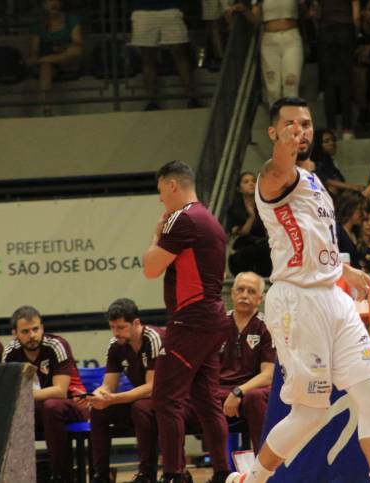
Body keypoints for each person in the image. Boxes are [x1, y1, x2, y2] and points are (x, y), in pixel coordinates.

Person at [227, 97, 370, 483]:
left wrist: (344, 268)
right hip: (297, 302)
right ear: (273, 132)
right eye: (290, 125)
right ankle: (253, 478)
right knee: (311, 412)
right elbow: (277, 163)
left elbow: (316, 239)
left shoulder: (315, 179)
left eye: (306, 123)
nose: (300, 130)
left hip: (332, 295)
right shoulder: (272, 176)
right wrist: (284, 145)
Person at [142, 160, 231, 483]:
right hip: (211, 318)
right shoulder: (210, 219)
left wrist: (155, 235)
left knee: (165, 398)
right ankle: (223, 471)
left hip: (190, 320)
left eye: (160, 191)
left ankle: (174, 474)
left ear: (172, 186)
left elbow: (150, 269)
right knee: (208, 400)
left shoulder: (181, 220)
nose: (160, 200)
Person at [187, 272, 275, 453]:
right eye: (240, 290)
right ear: (232, 294)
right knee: (184, 399)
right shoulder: (217, 325)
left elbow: (268, 374)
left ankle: (263, 467)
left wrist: (239, 391)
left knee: (255, 398)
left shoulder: (267, 326)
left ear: (260, 298)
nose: (244, 295)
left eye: (251, 292)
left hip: (250, 390)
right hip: (219, 390)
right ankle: (215, 471)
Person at [2, 305, 88, 482]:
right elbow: (8, 393)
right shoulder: (10, 353)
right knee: (9, 413)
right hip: (34, 411)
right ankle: (19, 476)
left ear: (42, 328)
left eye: (36, 329)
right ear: (15, 334)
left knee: (51, 406)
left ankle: (60, 476)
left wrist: (24, 394)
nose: (32, 335)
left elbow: (60, 391)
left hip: (72, 406)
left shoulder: (57, 345)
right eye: (25, 331)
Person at [88, 298, 165, 483]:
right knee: (98, 410)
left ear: (136, 323)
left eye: (121, 327)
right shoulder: (115, 345)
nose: (116, 333)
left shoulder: (153, 338)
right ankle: (101, 474)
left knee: (141, 407)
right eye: (112, 327)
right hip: (141, 399)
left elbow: (152, 387)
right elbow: (108, 385)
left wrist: (114, 398)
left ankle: (146, 474)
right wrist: (98, 395)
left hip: (165, 399)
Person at [130, 0, 200, 110]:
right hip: (143, 10)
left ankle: (192, 98)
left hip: (170, 8)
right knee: (148, 57)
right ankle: (151, 100)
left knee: (180, 53)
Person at [27, 0, 83, 116]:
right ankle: (47, 109)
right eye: (49, 1)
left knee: (76, 50)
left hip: (67, 60)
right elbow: (34, 51)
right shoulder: (38, 25)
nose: (54, 4)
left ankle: (45, 59)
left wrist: (64, 48)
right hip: (50, 64)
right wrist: (36, 57)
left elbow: (77, 44)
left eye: (56, 0)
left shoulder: (71, 20)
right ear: (43, 5)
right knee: (45, 66)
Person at [242, 0, 304, 106]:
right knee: (273, 89)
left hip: (291, 38)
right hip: (269, 41)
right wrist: (244, 10)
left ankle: (290, 122)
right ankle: (276, 120)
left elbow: (303, 12)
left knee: (291, 84)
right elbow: (255, 19)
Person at [316, 0, 360, 138]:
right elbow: (356, 12)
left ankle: (332, 127)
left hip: (326, 28)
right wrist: (356, 33)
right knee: (346, 81)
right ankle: (347, 128)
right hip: (345, 27)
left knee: (328, 82)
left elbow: (316, 11)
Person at [226, 172, 272, 277]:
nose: (251, 184)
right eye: (246, 182)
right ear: (239, 189)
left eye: (254, 181)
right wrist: (251, 217)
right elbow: (241, 234)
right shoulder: (234, 210)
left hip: (262, 249)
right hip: (242, 250)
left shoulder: (264, 206)